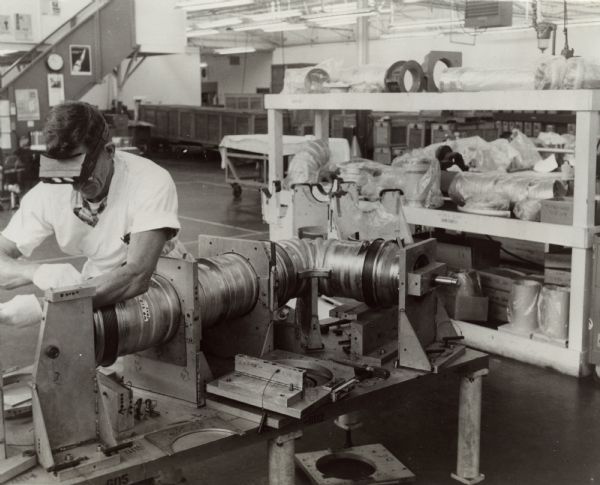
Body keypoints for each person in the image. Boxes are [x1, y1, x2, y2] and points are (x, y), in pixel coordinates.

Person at [0, 101, 188, 327]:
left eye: (85, 173)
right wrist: (35, 271)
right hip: (97, 285)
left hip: (166, 282)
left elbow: (137, 275)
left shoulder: (149, 180)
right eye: (69, 175)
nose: (78, 186)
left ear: (109, 151)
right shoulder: (50, 191)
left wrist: (47, 306)